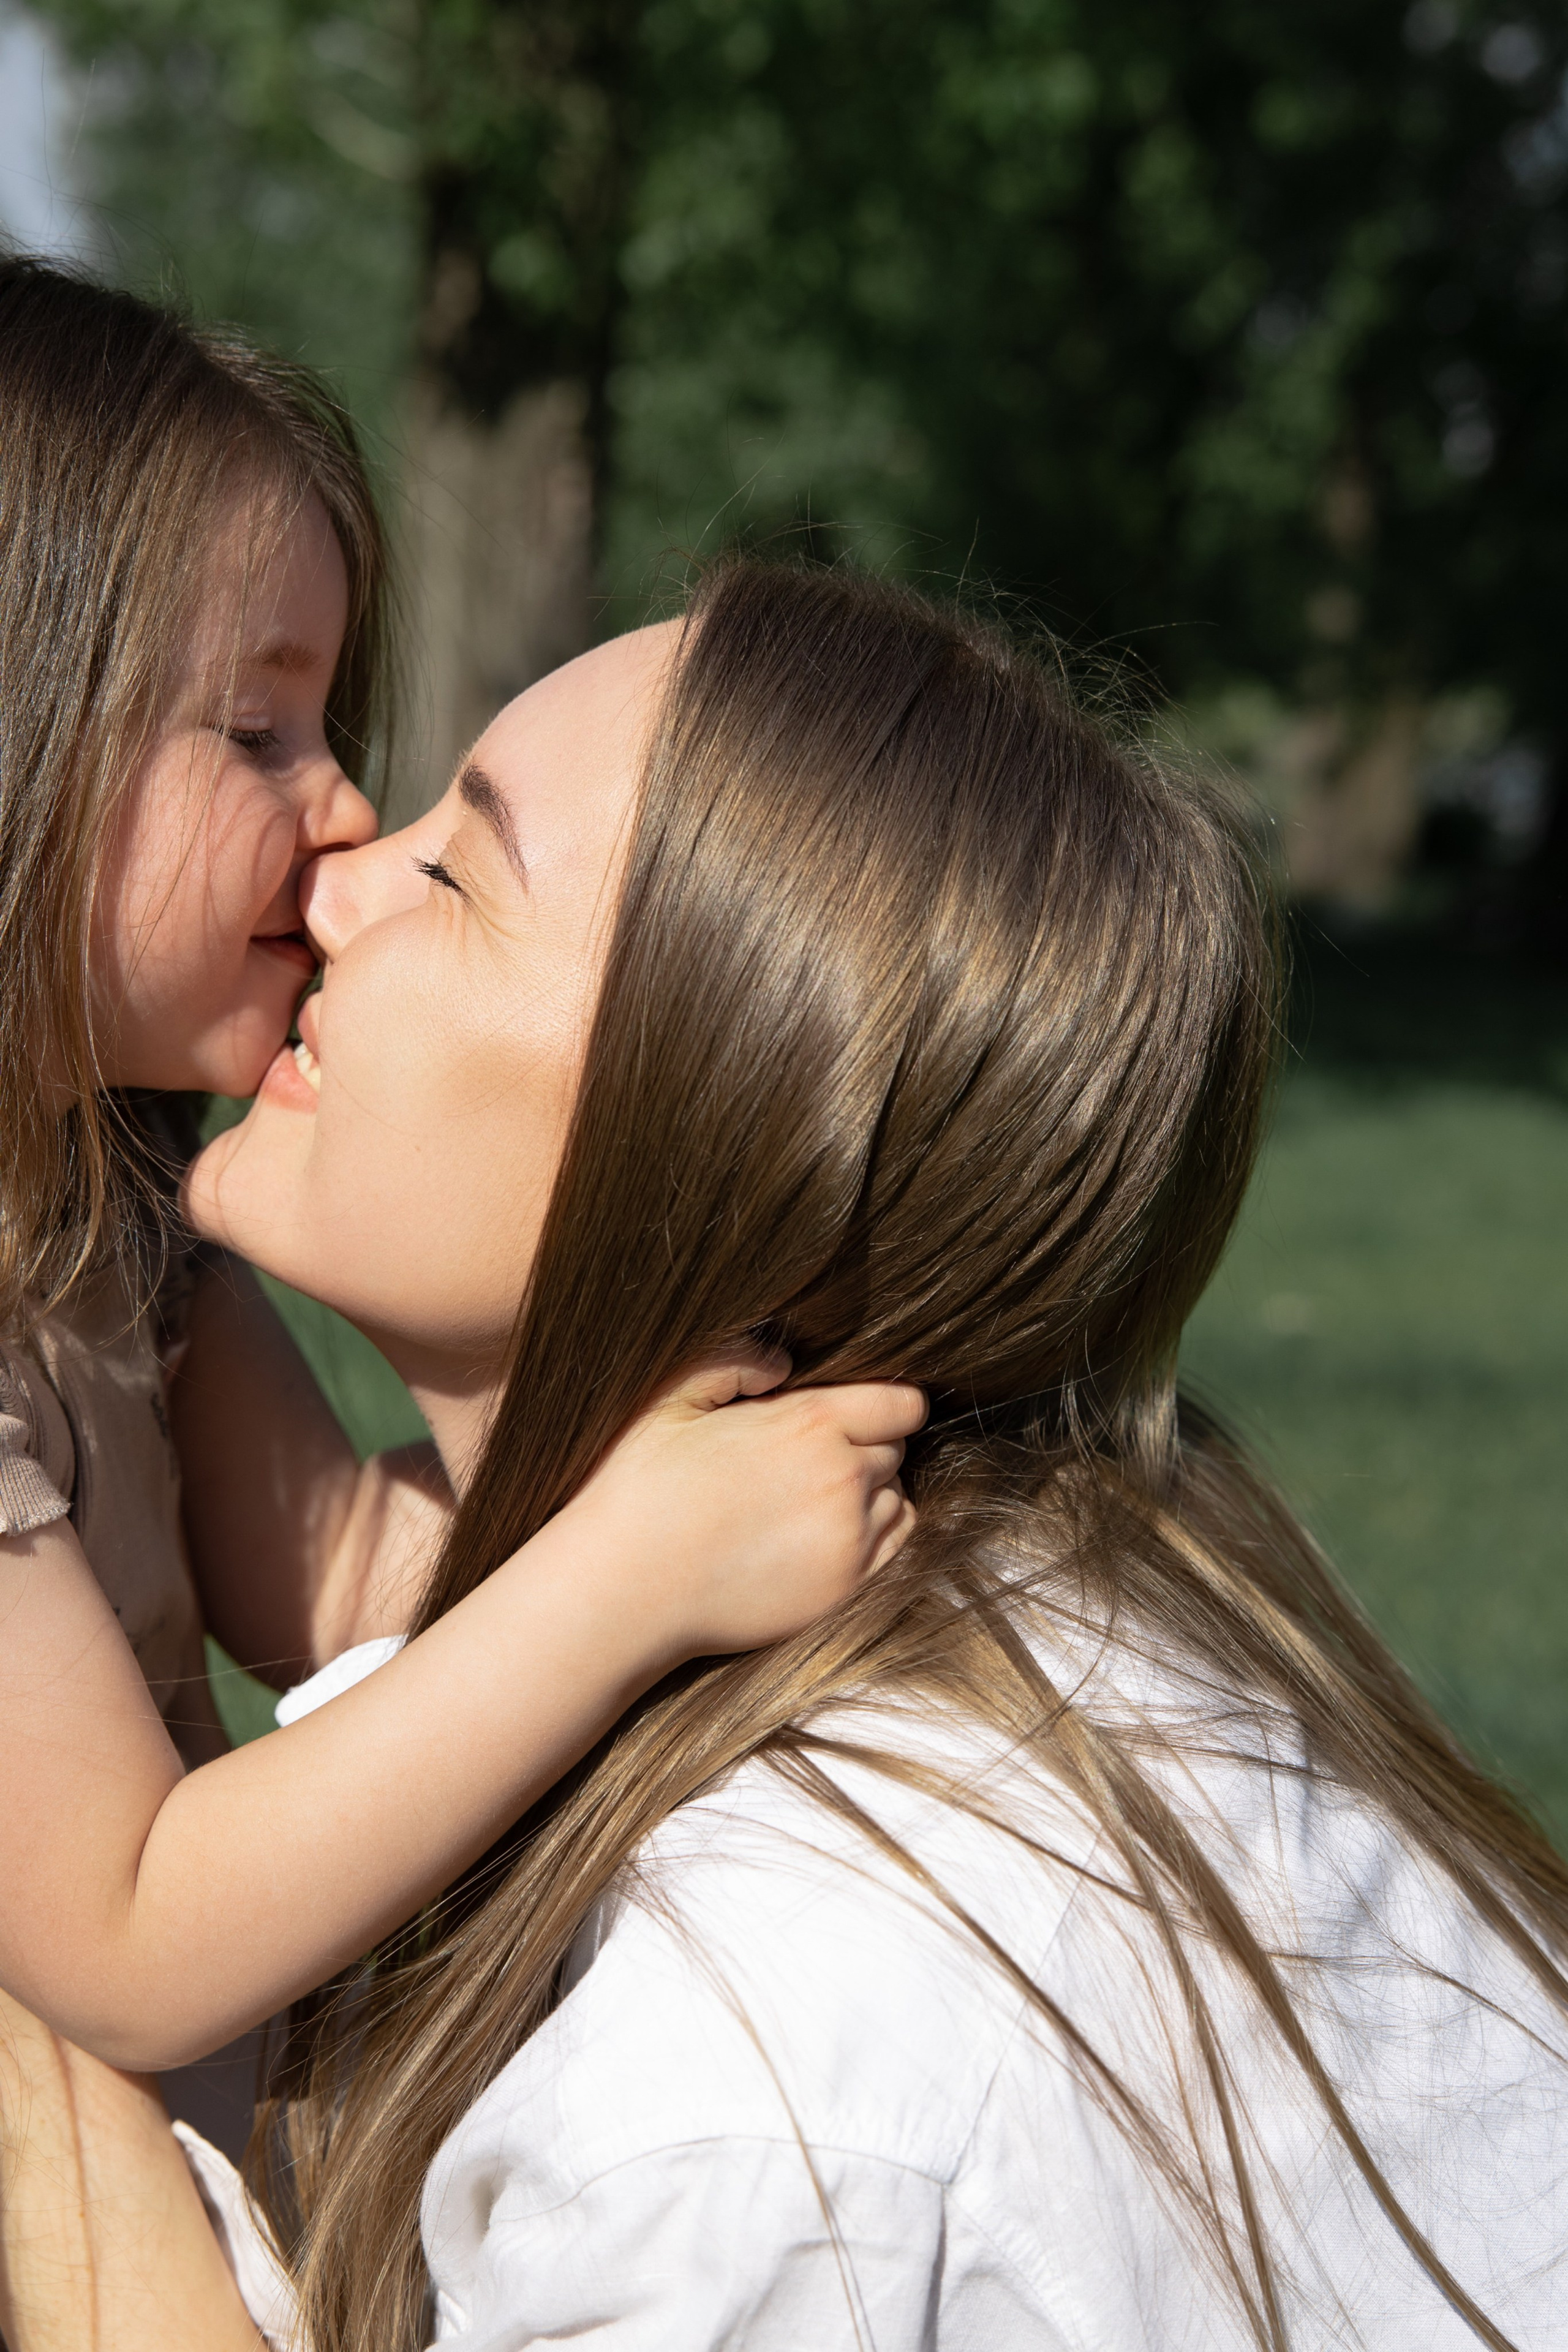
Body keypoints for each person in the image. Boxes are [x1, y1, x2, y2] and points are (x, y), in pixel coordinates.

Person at [12, 558, 1568, 2352]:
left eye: (460, 870)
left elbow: (134, 1927)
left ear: (716, 1124)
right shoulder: (1047, 1593)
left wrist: (48, 2072)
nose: (336, 872)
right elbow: (351, 1570)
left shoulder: (740, 2109)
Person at [0, 254, 922, 2076]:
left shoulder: (103, 1211)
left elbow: (339, 1573)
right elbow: (127, 1933)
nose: (342, 808)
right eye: (257, 732)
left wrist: (657, 1474)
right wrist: (629, 1578)